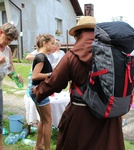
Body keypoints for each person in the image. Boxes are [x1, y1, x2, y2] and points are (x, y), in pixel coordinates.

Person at [31, 16, 125, 150]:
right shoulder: (114, 52)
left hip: (82, 115)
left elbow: (54, 82)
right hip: (109, 113)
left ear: (78, 34)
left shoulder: (73, 55)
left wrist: (38, 91)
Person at [29, 34, 56, 150]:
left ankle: (38, 146)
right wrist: (51, 74)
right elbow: (35, 76)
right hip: (39, 91)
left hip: (37, 90)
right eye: (52, 43)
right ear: (45, 43)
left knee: (43, 120)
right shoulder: (41, 57)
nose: (54, 45)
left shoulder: (42, 56)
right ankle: (47, 148)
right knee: (48, 121)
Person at [0, 22, 23, 150]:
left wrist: (16, 76)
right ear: (0, 32)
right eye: (8, 39)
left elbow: (9, 69)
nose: (9, 42)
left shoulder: (7, 50)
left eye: (11, 40)